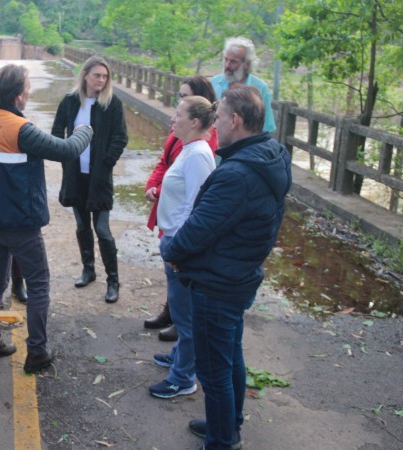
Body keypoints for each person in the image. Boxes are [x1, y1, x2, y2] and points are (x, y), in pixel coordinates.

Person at [162, 86, 291, 449]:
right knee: (230, 354)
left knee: (214, 370)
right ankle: (228, 423)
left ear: (234, 120)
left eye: (218, 119)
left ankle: (222, 441)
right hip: (241, 272)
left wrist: (171, 250)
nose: (215, 126)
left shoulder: (237, 173)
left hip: (218, 282)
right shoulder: (271, 155)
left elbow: (198, 230)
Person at [0, 64, 93, 373]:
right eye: (28, 87)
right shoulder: (20, 129)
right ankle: (37, 351)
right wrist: (85, 129)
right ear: (19, 96)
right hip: (21, 222)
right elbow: (66, 150)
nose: (30, 91)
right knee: (38, 284)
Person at [147, 95, 216, 400]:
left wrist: (181, 249)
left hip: (180, 243)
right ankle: (179, 357)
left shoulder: (199, 155)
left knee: (186, 317)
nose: (172, 120)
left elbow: (197, 207)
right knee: (179, 308)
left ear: (195, 122)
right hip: (173, 239)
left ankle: (183, 377)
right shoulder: (188, 150)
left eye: (178, 115)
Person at [51, 55, 128, 304]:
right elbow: (56, 132)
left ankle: (113, 280)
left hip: (99, 178)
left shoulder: (112, 104)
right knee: (82, 226)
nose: (101, 80)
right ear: (85, 75)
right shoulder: (71, 102)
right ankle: (88, 270)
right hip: (76, 176)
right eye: (97, 75)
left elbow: (121, 137)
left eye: (105, 76)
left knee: (103, 230)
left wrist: (107, 162)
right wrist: (65, 158)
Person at [210, 36, 276, 133]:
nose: (227, 65)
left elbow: (267, 128)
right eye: (226, 60)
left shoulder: (261, 88)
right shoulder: (214, 82)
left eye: (233, 61)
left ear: (247, 64)